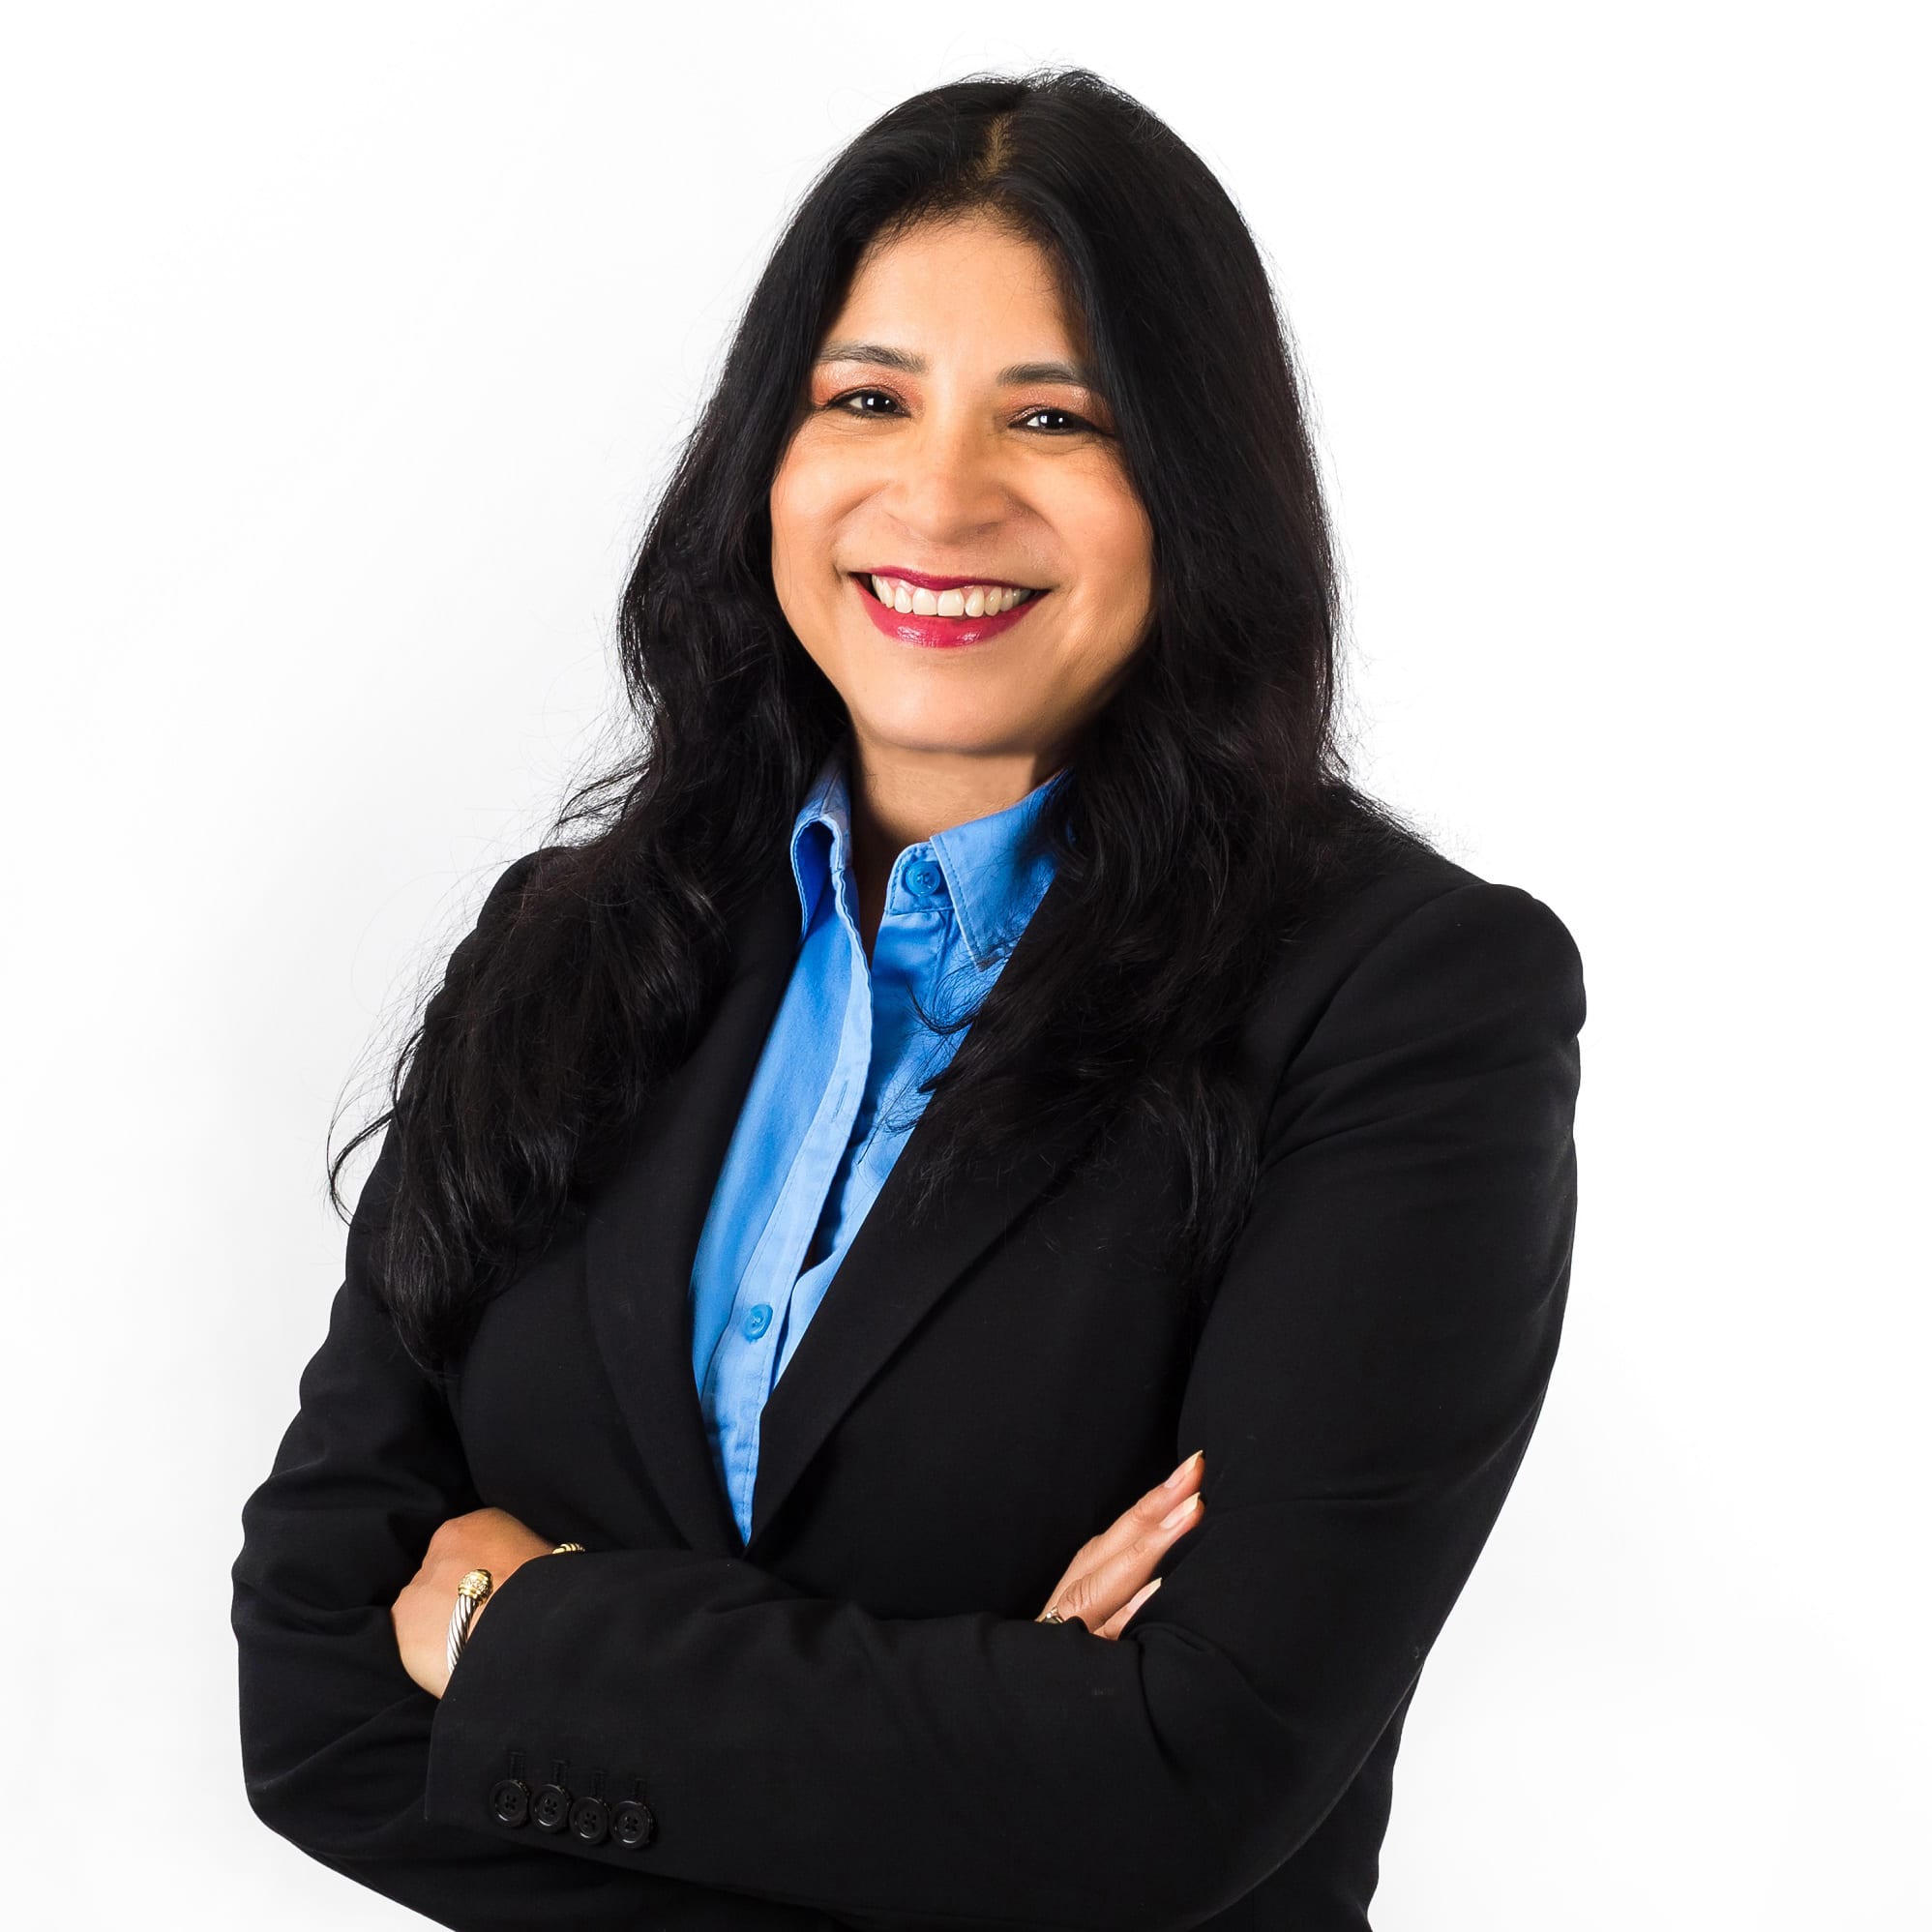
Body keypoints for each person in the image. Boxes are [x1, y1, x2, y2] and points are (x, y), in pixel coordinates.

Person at [231, 65, 1586, 1932]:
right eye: (865, 398)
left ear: (1192, 488)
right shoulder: (567, 949)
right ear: (765, 459)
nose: (938, 497)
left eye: (1054, 416)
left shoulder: (1404, 1003)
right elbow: (310, 1701)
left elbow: (1180, 1780)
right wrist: (987, 1748)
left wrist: (509, 1629)